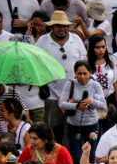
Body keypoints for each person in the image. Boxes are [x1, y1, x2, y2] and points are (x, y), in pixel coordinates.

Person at [36, 11, 87, 143]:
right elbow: (37, 65)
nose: (62, 29)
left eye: (65, 26)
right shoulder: (42, 41)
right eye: (58, 26)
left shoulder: (76, 39)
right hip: (52, 95)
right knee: (54, 130)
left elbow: (85, 62)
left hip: (75, 94)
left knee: (75, 130)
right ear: (52, 27)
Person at [58, 60, 106, 164]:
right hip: (73, 124)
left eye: (85, 73)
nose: (82, 77)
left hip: (91, 124)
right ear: (75, 73)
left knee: (90, 153)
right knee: (76, 154)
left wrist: (92, 102)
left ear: (90, 73)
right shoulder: (70, 84)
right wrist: (77, 106)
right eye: (79, 73)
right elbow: (61, 103)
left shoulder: (95, 85)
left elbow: (103, 104)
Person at [87, 33, 117, 125]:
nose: (101, 50)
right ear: (92, 48)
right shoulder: (86, 61)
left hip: (109, 99)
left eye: (103, 47)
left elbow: (116, 81)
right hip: (93, 101)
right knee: (95, 132)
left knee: (109, 129)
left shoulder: (111, 59)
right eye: (97, 47)